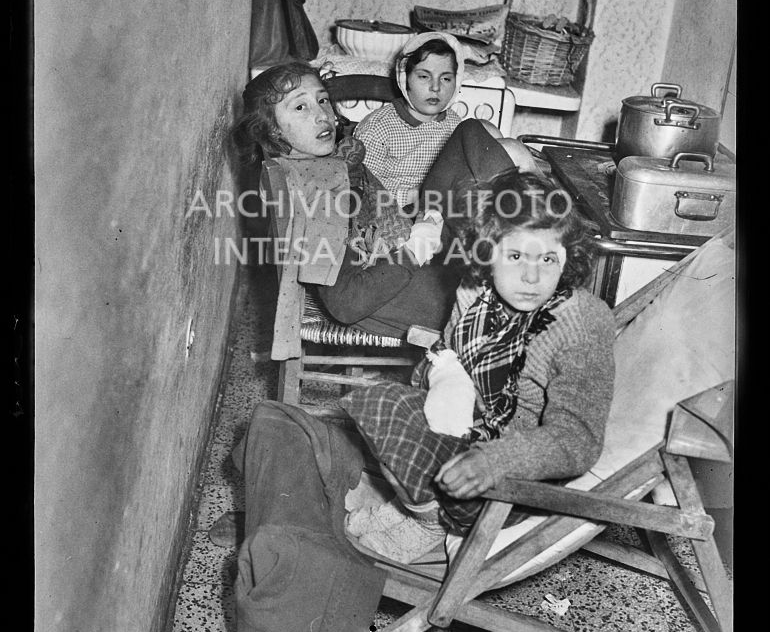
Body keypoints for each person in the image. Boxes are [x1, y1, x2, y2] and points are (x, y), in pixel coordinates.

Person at [340, 168, 616, 564]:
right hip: (468, 433)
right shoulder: (474, 290)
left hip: (518, 474)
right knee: (380, 406)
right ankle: (423, 512)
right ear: (488, 252)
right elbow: (443, 362)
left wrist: (493, 459)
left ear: (568, 256)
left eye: (549, 258)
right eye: (516, 255)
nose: (532, 277)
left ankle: (429, 523)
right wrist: (443, 376)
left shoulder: (582, 321)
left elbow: (578, 440)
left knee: (405, 433)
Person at [234, 59, 542, 339]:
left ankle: (532, 235)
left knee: (475, 130)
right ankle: (537, 250)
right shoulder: (316, 195)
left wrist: (422, 219)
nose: (321, 115)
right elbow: (345, 304)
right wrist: (416, 248)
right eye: (300, 108)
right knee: (505, 152)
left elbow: (370, 217)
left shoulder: (320, 167)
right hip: (417, 294)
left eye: (323, 100)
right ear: (273, 131)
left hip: (404, 251)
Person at [354, 30, 535, 211]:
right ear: (405, 79)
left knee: (486, 130)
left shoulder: (453, 122)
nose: (435, 87)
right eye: (424, 76)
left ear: (456, 83)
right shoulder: (378, 127)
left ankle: (530, 203)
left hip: (449, 203)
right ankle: (538, 203)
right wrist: (410, 195)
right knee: (506, 145)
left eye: (446, 78)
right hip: (405, 210)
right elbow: (362, 186)